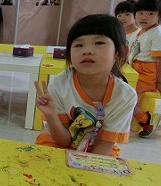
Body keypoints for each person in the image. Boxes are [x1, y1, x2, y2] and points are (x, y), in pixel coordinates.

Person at [34, 14, 136, 157]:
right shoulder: (60, 84)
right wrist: (51, 116)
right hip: (58, 144)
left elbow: (104, 145)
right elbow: (63, 141)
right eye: (79, 45)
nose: (87, 50)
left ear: (120, 52)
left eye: (99, 43)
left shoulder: (125, 96)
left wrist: (86, 166)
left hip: (99, 149)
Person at [131, 0, 161, 138]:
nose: (144, 17)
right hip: (136, 70)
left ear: (159, 15)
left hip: (147, 74)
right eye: (141, 13)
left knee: (127, 96)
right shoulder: (142, 30)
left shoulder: (158, 34)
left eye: (150, 14)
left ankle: (146, 119)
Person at [115, 0, 139, 64]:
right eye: (119, 15)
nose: (123, 18)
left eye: (127, 14)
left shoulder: (139, 33)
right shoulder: (116, 33)